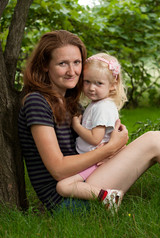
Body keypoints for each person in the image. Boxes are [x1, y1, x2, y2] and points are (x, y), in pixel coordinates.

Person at [18, 30, 160, 212]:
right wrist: (109, 149)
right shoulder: (37, 102)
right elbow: (58, 170)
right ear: (45, 65)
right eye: (63, 63)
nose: (72, 71)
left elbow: (91, 144)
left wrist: (113, 149)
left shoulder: (72, 104)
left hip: (86, 180)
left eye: (77, 62)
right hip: (67, 198)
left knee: (154, 140)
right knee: (154, 140)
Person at [56, 53, 127, 210]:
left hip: (96, 160)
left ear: (113, 85)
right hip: (91, 159)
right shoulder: (97, 104)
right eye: (87, 82)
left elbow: (96, 139)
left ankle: (108, 197)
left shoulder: (103, 107)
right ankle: (107, 196)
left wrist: (76, 126)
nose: (91, 88)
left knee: (63, 186)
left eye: (98, 83)